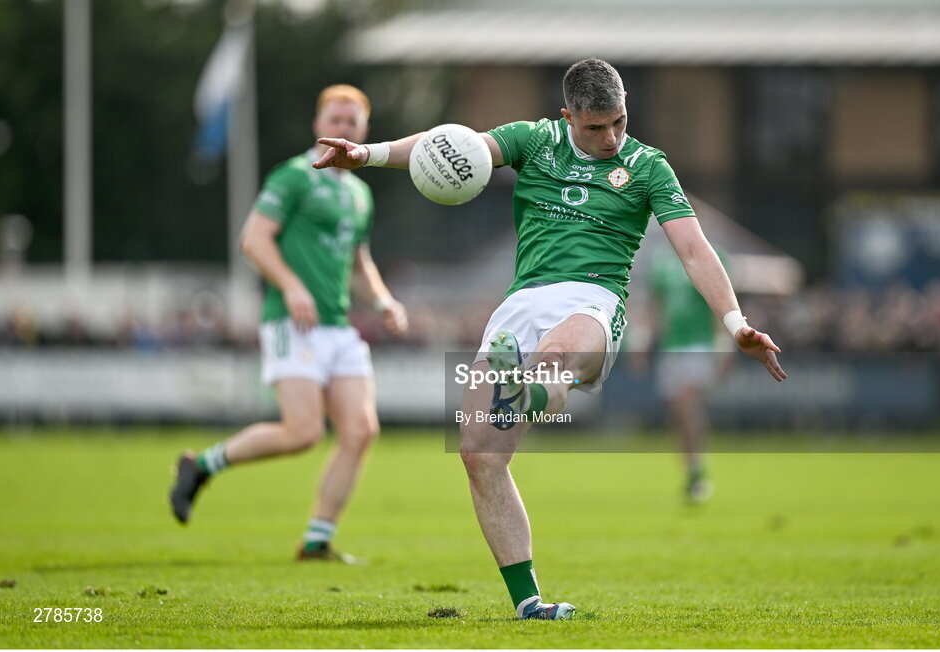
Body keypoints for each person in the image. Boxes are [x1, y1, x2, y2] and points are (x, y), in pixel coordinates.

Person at [314, 59, 785, 618]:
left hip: (594, 300)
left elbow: (694, 249)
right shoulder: (535, 140)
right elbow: (448, 145)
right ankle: (529, 603)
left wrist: (735, 324)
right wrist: (367, 154)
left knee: (554, 358)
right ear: (568, 117)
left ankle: (527, 393)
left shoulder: (649, 166)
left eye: (619, 122)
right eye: (595, 128)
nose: (611, 138)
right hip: (521, 302)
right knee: (478, 455)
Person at [169, 85, 408, 564]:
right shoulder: (295, 176)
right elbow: (254, 240)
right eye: (334, 120)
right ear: (318, 126)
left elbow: (358, 261)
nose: (342, 128)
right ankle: (201, 465)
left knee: (360, 431)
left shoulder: (359, 193)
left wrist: (383, 300)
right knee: (302, 432)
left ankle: (317, 540)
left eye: (352, 122)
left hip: (338, 327)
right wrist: (293, 286)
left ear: (364, 131)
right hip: (292, 323)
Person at [650, 247, 734, 504]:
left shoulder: (713, 257)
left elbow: (719, 302)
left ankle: (698, 470)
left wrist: (724, 345)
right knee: (678, 411)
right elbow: (658, 307)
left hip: (699, 345)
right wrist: (646, 343)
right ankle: (691, 469)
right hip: (671, 346)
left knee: (687, 403)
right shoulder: (662, 264)